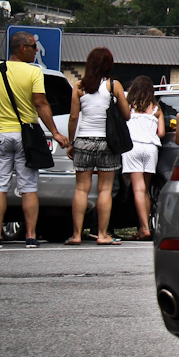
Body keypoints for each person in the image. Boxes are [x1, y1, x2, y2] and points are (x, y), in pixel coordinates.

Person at [0, 32, 69, 247]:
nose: (36, 50)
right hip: (27, 136)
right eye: (33, 47)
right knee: (28, 186)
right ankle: (31, 235)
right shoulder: (33, 73)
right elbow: (41, 103)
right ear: (22, 48)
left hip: (1, 134)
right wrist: (56, 132)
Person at [67, 48, 131, 245]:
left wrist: (71, 143)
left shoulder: (79, 86)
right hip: (107, 143)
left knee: (81, 189)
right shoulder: (114, 86)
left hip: (84, 141)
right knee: (105, 189)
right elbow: (127, 115)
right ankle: (102, 234)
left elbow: (73, 117)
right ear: (109, 65)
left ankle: (77, 235)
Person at [122, 76, 165, 241]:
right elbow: (161, 133)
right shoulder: (156, 109)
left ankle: (145, 228)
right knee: (145, 190)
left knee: (138, 190)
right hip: (151, 148)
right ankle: (144, 227)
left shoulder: (128, 107)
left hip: (133, 147)